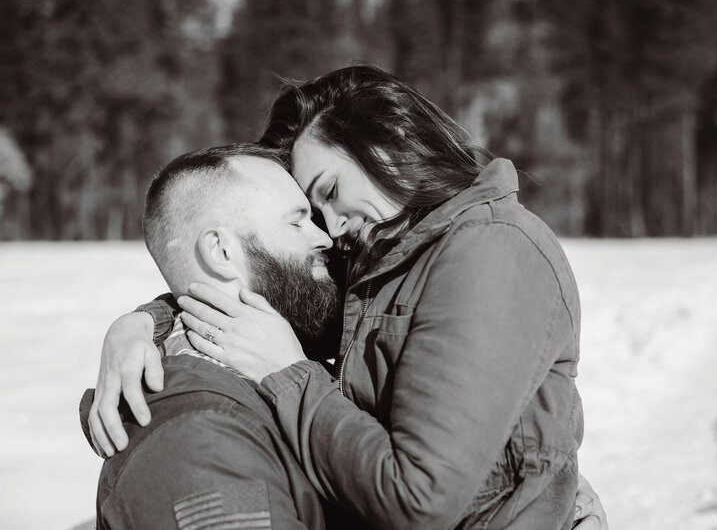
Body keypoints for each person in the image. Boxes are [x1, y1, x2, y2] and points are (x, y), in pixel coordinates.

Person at [89, 65, 608, 529]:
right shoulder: (391, 255)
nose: (331, 228)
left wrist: (286, 372)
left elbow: (421, 499)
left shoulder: (491, 248)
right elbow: (270, 281)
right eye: (310, 214)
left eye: (330, 191)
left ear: (387, 141)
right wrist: (142, 324)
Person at [80, 143, 343, 529]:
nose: (326, 238)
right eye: (297, 221)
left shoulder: (266, 369)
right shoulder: (198, 436)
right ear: (220, 251)